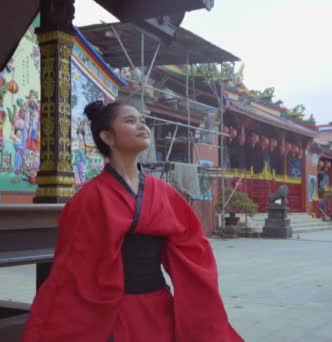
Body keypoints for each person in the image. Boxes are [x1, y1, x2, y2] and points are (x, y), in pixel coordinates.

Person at [23, 101, 243, 342]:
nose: (142, 126)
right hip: (111, 314)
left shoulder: (164, 192)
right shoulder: (88, 198)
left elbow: (194, 251)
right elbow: (72, 271)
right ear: (107, 136)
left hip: (158, 308)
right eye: (130, 121)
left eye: (142, 121)